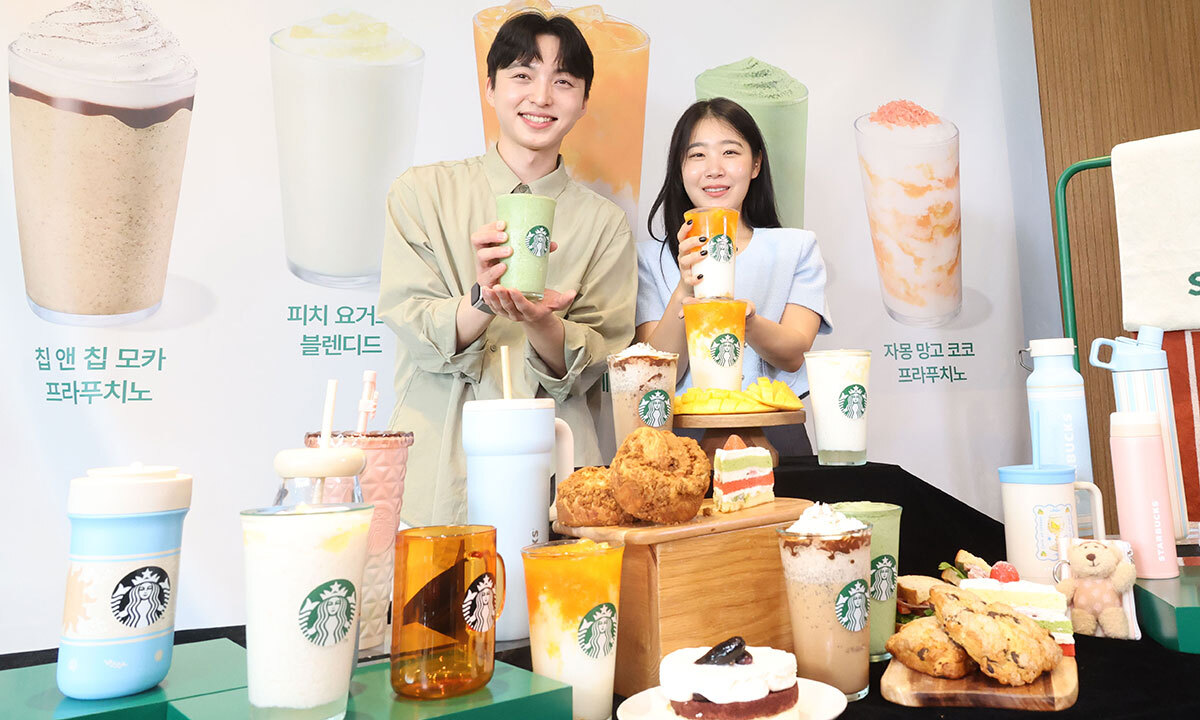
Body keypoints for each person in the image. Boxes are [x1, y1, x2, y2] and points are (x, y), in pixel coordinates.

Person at [379, 12, 636, 526]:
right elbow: (408, 316)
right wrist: (481, 298)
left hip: (558, 469)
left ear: (584, 102)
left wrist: (544, 324)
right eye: (522, 74)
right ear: (490, 88)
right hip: (438, 472)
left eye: (562, 82)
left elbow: (603, 358)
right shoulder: (422, 193)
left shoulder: (605, 223)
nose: (541, 97)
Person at [636, 98, 831, 453]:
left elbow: (793, 354)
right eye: (697, 155)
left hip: (774, 431)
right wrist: (685, 287)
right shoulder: (650, 258)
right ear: (679, 168)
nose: (714, 169)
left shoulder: (796, 248)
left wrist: (747, 321)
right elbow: (655, 375)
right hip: (683, 436)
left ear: (755, 164)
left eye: (730, 152)